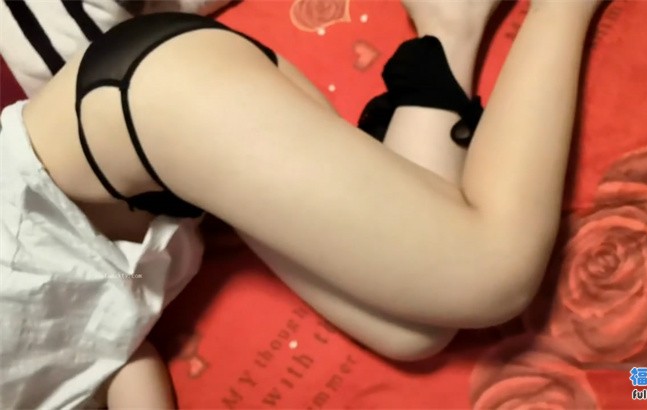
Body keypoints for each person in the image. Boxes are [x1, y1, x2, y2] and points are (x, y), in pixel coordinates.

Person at [0, 0, 603, 407]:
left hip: (136, 116)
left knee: (492, 276)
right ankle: (449, 24)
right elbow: (110, 354)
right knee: (412, 332)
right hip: (163, 198)